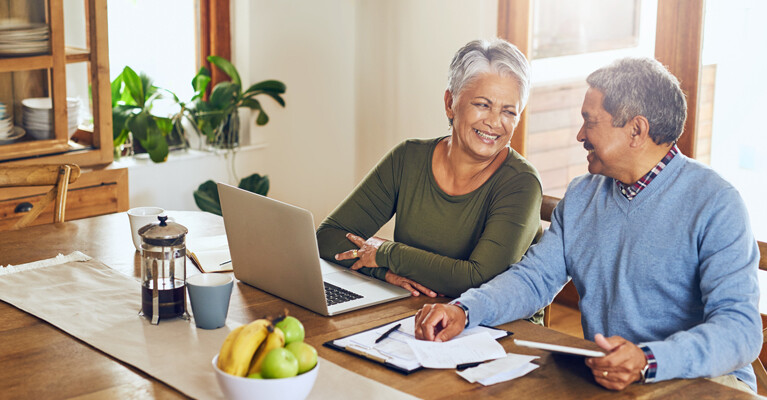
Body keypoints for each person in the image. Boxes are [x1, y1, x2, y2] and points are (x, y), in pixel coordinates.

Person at [413, 57, 762, 393]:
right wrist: (465, 309)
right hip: (610, 381)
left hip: (704, 384)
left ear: (636, 130)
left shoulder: (716, 203)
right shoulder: (583, 195)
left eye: (589, 121)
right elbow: (533, 279)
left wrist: (647, 361)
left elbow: (740, 332)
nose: (580, 134)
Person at [316, 39, 543, 317]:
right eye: (483, 105)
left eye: (509, 111)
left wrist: (386, 253)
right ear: (450, 103)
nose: (495, 122)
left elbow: (479, 279)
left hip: (495, 329)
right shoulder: (407, 158)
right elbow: (328, 237)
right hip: (414, 314)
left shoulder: (521, 183)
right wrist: (382, 271)